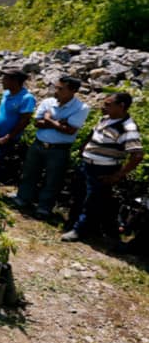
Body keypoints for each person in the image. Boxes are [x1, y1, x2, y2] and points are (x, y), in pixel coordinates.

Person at [63, 93, 144, 244]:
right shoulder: (105, 119)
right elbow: (93, 134)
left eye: (108, 104)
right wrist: (84, 148)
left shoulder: (128, 128)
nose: (103, 107)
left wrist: (118, 175)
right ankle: (74, 224)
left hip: (103, 170)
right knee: (79, 195)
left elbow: (137, 155)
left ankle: (80, 230)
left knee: (92, 202)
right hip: (87, 164)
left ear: (121, 106)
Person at [14, 76, 90, 218]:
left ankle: (44, 208)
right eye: (56, 87)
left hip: (59, 149)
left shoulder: (81, 108)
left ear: (73, 91)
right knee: (29, 173)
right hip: (38, 144)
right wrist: (59, 123)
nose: (56, 91)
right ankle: (23, 199)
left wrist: (48, 119)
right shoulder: (48, 101)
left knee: (53, 179)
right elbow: (37, 123)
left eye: (61, 89)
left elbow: (70, 130)